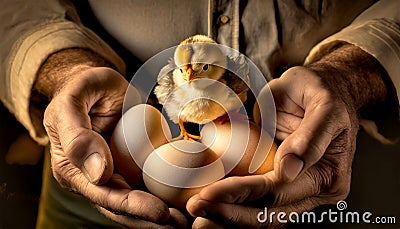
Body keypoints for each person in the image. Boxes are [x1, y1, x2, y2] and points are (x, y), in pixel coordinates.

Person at [0, 0, 399, 228]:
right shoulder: (163, 100)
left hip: (331, 169)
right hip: (100, 161)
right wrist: (68, 69)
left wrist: (348, 77)